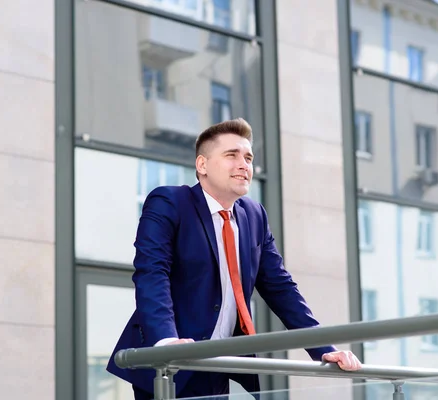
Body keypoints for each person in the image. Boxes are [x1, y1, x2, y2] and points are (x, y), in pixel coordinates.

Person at [106, 118, 362, 399]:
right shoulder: (169, 203)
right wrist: (166, 342)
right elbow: (152, 273)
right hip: (168, 363)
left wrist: (324, 350)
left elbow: (280, 287)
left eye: (248, 157)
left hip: (218, 364)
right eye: (232, 155)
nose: (244, 164)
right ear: (202, 165)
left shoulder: (254, 215)